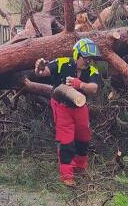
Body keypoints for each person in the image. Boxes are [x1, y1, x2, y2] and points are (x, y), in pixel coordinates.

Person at [34, 38, 101, 186]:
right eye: (85, 58)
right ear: (77, 55)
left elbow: (94, 88)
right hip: (62, 106)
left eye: (90, 59)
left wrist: (80, 84)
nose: (88, 62)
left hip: (80, 106)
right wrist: (39, 67)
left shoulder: (92, 70)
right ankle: (67, 176)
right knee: (66, 141)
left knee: (84, 138)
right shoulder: (62, 62)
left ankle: (80, 168)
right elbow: (43, 72)